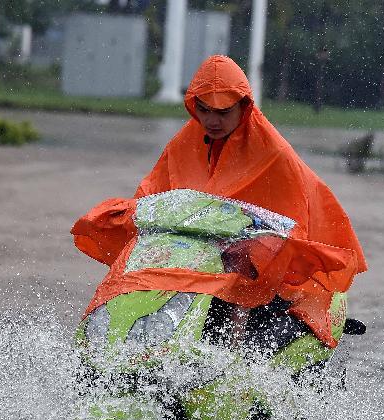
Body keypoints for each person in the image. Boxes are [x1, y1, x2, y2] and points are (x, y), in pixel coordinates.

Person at [72, 55, 366, 351]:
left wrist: (247, 246)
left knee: (243, 268)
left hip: (259, 260)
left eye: (223, 112)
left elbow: (293, 223)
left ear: (243, 106)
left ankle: (232, 361)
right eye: (204, 109)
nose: (212, 120)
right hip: (196, 254)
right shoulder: (184, 142)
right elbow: (153, 197)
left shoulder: (274, 153)